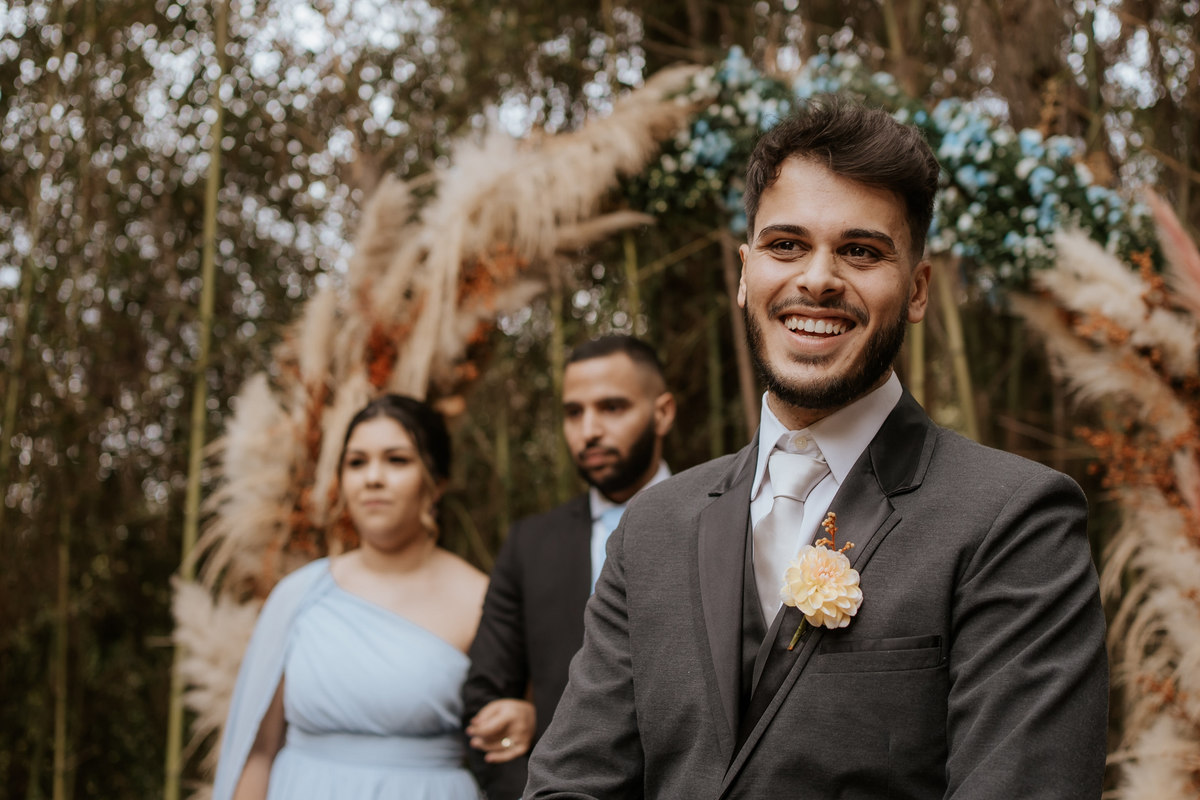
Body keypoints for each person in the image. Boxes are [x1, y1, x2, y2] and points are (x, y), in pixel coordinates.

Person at [525, 95, 1109, 799]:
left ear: (918, 289)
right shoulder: (652, 527)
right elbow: (573, 783)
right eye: (786, 245)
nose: (818, 278)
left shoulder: (1014, 520)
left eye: (860, 251)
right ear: (746, 273)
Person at [212, 394, 488, 800]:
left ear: (437, 482)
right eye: (357, 462)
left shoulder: (481, 599)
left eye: (397, 460)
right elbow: (258, 751)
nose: (373, 478)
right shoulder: (299, 596)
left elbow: (519, 735)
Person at [462, 335, 677, 798]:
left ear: (662, 413)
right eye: (574, 412)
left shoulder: (729, 521)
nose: (589, 430)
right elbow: (485, 704)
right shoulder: (529, 545)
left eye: (612, 407)